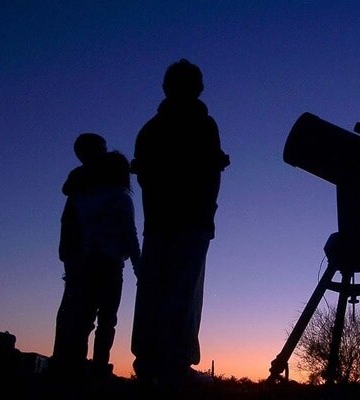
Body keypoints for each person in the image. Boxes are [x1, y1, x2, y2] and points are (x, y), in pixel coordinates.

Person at [130, 58, 230, 390]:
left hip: (158, 223)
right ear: (198, 88)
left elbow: (145, 176)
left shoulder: (149, 129)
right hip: (190, 222)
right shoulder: (204, 125)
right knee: (182, 293)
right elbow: (209, 174)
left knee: (153, 293)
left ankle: (148, 364)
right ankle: (174, 365)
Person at [51, 141, 141, 383]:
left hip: (85, 263)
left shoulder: (84, 200)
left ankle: (76, 367)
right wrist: (138, 266)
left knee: (83, 318)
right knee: (107, 320)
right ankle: (100, 367)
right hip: (110, 265)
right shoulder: (121, 199)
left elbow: (73, 227)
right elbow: (130, 235)